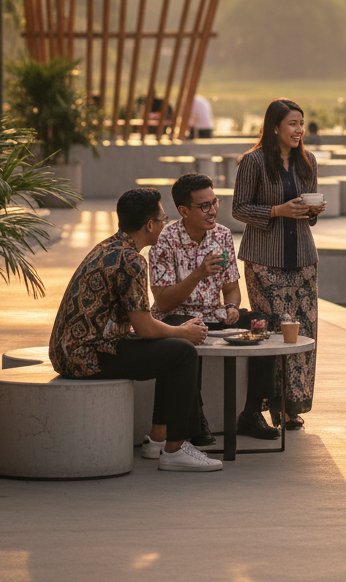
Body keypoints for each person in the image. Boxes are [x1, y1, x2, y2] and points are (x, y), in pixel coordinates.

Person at [48, 187, 222, 472]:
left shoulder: (109, 247)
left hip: (73, 350)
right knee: (182, 352)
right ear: (150, 225)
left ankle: (158, 441)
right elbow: (145, 330)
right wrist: (183, 333)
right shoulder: (131, 261)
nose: (165, 225)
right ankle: (175, 450)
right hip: (87, 357)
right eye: (163, 219)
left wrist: (177, 330)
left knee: (174, 342)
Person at [148, 173, 278, 442]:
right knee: (184, 334)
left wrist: (232, 307)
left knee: (263, 323)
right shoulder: (165, 240)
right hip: (176, 317)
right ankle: (196, 417)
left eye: (214, 202)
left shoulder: (223, 235)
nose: (213, 210)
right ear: (183, 211)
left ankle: (252, 412)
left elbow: (231, 287)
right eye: (204, 205)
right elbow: (163, 302)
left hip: (213, 315)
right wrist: (198, 274)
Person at [232, 98, 324, 430]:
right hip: (264, 261)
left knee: (303, 333)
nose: (299, 130)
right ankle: (264, 405)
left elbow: (308, 213)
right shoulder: (252, 162)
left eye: (301, 123)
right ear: (275, 127)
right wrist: (276, 211)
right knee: (271, 330)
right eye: (292, 124)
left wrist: (312, 211)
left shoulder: (308, 161)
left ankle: (290, 406)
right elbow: (239, 208)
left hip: (303, 260)